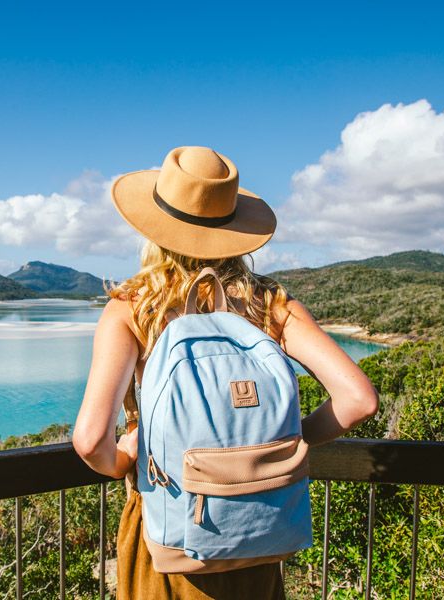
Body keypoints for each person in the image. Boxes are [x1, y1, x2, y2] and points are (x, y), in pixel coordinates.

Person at [73, 146, 379, 599]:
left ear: (155, 232)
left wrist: (124, 457)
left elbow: (89, 441)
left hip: (171, 529)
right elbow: (359, 401)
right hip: (256, 527)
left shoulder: (133, 310)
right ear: (236, 231)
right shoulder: (271, 305)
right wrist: (282, 443)